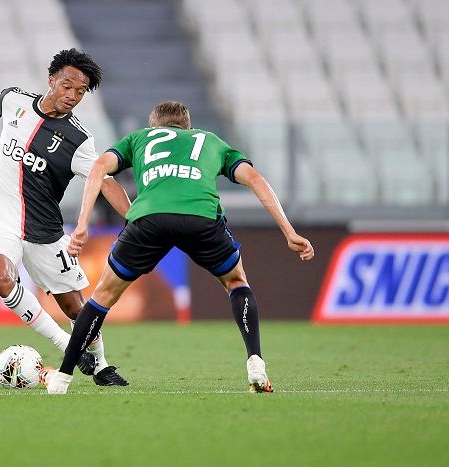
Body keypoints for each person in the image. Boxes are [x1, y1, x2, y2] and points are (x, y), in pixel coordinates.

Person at [43, 101, 315, 394]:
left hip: (149, 219)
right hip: (201, 219)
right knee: (236, 281)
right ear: (189, 127)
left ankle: (63, 377)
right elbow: (256, 180)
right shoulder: (210, 140)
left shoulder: (139, 138)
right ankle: (255, 361)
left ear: (153, 126)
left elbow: (98, 168)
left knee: (103, 296)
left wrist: (82, 223)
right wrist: (289, 231)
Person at [0, 48, 131, 386]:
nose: (72, 96)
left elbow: (104, 181)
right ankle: (68, 346)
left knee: (77, 309)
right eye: (67, 86)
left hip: (45, 230)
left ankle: (102, 365)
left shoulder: (79, 140)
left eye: (80, 92)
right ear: (51, 80)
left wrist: (136, 217)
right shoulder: (13, 101)